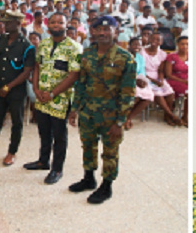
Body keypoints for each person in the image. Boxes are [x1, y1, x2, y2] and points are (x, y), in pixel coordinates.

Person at [69, 16, 136, 204]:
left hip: (111, 116)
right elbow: (81, 84)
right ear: (94, 32)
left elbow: (128, 93)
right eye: (99, 30)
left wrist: (120, 121)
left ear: (116, 32)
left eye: (107, 30)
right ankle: (88, 178)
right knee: (87, 145)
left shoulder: (125, 59)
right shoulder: (87, 54)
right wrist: (75, 109)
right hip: (88, 112)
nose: (103, 33)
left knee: (110, 151)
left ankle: (106, 186)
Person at [25, 13, 81, 184]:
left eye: (60, 22)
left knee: (59, 135)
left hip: (60, 100)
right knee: (43, 132)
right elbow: (37, 66)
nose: (56, 25)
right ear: (48, 25)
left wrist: (52, 94)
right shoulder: (43, 44)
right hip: (41, 97)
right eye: (53, 22)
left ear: (66, 25)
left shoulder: (74, 47)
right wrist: (35, 89)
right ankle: (43, 161)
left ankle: (57, 169)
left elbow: (73, 75)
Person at [0, 10, 35, 165]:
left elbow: (26, 72)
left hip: (16, 90)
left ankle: (12, 152)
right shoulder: (1, 39)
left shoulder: (27, 46)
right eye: (4, 22)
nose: (4, 25)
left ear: (18, 24)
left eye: (8, 23)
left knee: (16, 122)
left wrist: (9, 86)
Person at [140, 31, 180, 126]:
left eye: (158, 40)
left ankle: (166, 116)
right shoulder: (142, 52)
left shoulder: (162, 54)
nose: (155, 41)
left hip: (157, 77)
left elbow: (161, 70)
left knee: (170, 92)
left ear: (161, 42)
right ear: (149, 39)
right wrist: (153, 81)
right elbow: (140, 70)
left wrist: (161, 80)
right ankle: (171, 115)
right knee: (158, 93)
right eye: (153, 38)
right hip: (144, 76)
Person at [124, 37, 155, 130]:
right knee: (136, 95)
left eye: (139, 45)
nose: (137, 46)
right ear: (129, 45)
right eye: (134, 44)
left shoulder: (140, 58)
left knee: (148, 95)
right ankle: (123, 118)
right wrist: (135, 80)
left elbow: (142, 71)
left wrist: (143, 81)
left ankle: (128, 118)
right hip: (126, 80)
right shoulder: (124, 56)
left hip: (138, 79)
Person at [164, 36, 188, 127]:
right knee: (188, 91)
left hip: (187, 80)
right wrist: (184, 81)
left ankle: (185, 117)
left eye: (187, 44)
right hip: (174, 79)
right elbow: (168, 74)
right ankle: (170, 116)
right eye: (182, 44)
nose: (185, 46)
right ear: (177, 45)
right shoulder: (172, 56)